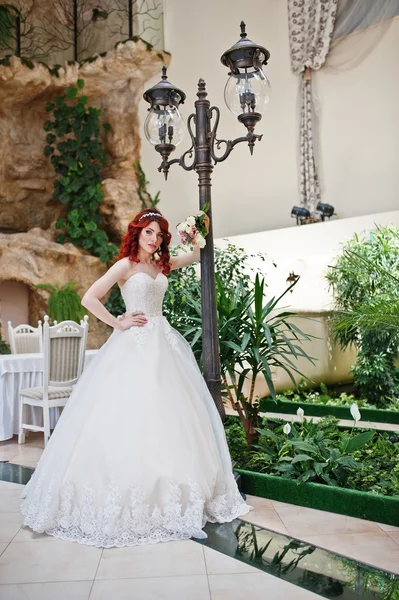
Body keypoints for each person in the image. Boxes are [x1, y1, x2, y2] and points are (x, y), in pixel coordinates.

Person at [20, 208, 251, 547]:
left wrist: (196, 227)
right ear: (137, 233)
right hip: (134, 345)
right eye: (148, 233)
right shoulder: (126, 265)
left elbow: (198, 253)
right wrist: (119, 322)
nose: (153, 238)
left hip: (165, 345)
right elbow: (89, 297)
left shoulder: (161, 265)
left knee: (172, 416)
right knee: (129, 413)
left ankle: (178, 490)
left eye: (158, 234)